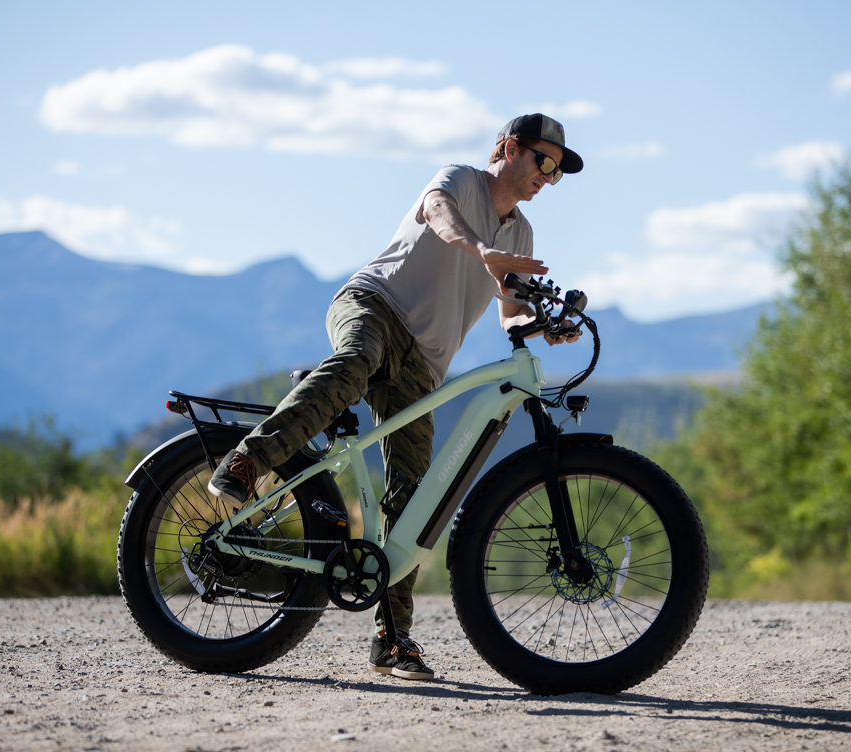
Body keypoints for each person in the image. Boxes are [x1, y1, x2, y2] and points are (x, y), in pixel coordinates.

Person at [208, 113, 584, 680]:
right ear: (508, 148)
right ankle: (248, 459)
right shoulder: (460, 181)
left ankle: (392, 640)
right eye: (543, 161)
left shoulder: (522, 234)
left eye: (558, 171)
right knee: (357, 361)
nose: (548, 177)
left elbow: (510, 313)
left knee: (414, 494)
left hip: (424, 363)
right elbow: (439, 214)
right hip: (375, 305)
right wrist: (482, 249)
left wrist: (539, 329)